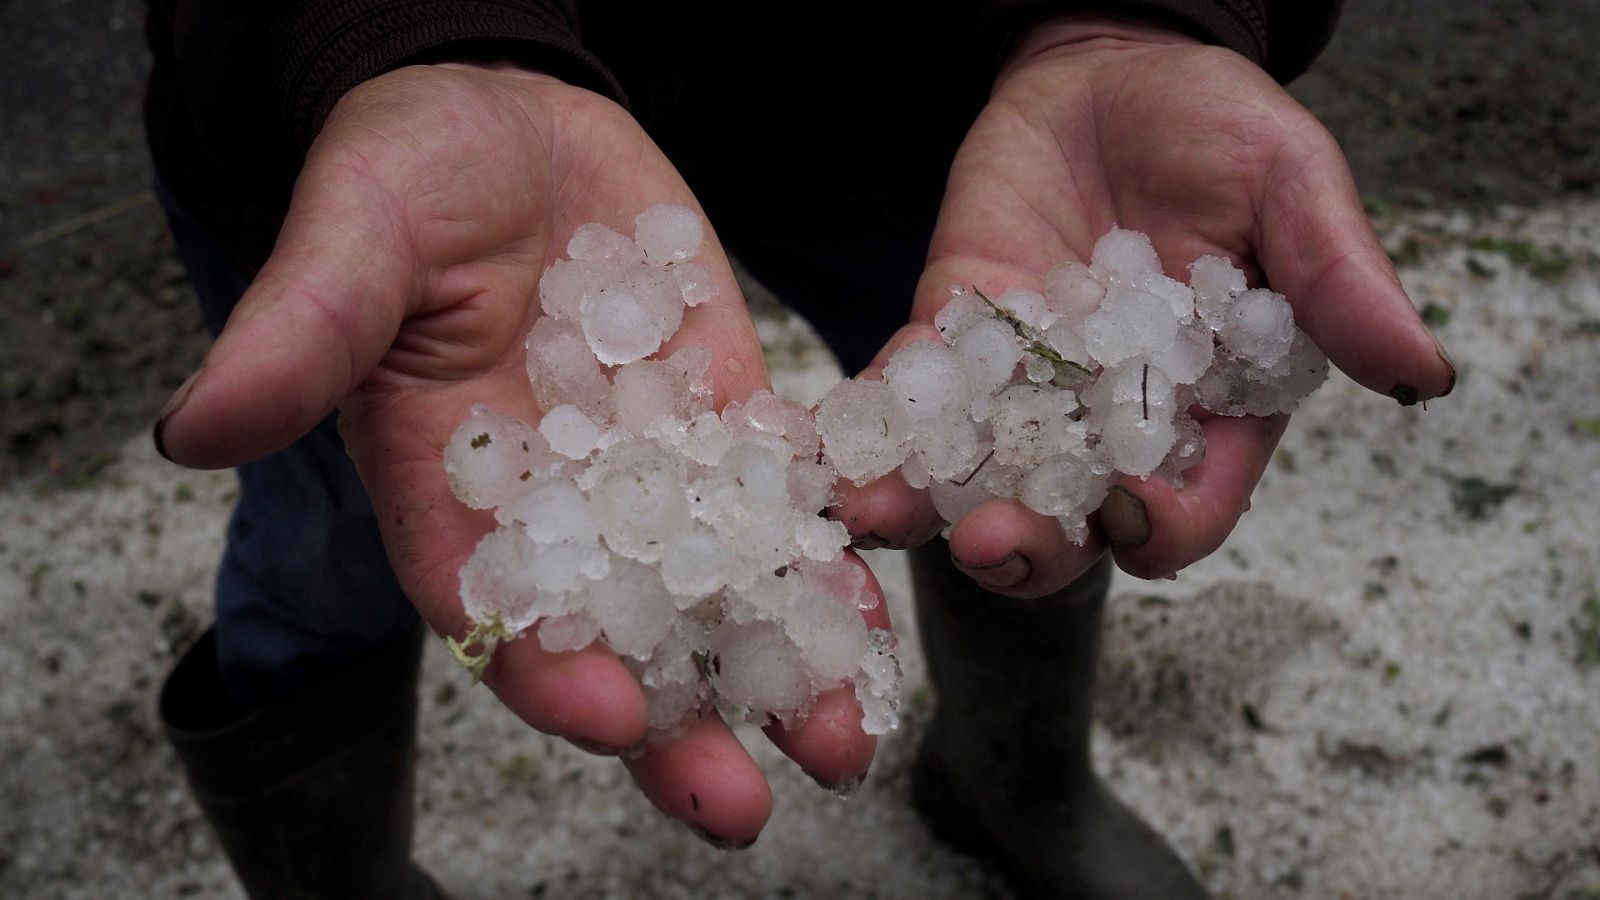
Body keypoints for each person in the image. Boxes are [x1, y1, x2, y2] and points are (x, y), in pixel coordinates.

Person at [146, 2, 1455, 897]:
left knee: (994, 457)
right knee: (332, 532)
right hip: (352, 98)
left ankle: (1016, 784)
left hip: (910, 74)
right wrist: (387, 29)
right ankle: (339, 879)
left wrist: (1138, 10)